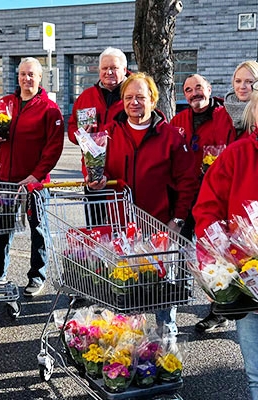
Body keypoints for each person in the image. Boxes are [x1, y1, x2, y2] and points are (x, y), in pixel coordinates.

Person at [192, 73, 258, 400]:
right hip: (250, 286)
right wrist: (220, 256)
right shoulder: (235, 155)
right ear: (253, 116)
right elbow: (206, 210)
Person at [88, 72, 198, 335]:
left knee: (163, 290)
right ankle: (129, 344)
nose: (134, 102)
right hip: (121, 227)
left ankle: (166, 338)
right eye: (128, 97)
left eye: (140, 97)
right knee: (126, 288)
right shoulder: (108, 135)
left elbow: (187, 183)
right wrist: (95, 179)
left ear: (152, 99)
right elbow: (93, 168)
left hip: (160, 226)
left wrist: (178, 220)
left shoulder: (171, 137)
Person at [194, 61, 258, 333]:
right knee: (221, 259)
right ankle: (220, 308)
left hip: (253, 201)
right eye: (238, 81)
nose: (243, 86)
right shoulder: (222, 112)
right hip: (224, 188)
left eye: (249, 81)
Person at [0, 57, 64, 297]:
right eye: (22, 74)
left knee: (38, 230)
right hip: (6, 180)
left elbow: (54, 148)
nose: (26, 78)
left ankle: (36, 277)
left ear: (40, 78)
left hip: (34, 184)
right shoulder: (5, 103)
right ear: (17, 77)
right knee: (1, 229)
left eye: (31, 74)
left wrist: (36, 176)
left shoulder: (49, 109)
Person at [67, 47, 129, 226]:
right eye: (104, 68)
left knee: (125, 231)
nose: (108, 72)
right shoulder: (86, 97)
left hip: (123, 175)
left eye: (114, 68)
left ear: (124, 70)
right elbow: (72, 128)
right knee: (96, 230)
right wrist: (80, 134)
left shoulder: (132, 95)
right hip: (94, 173)